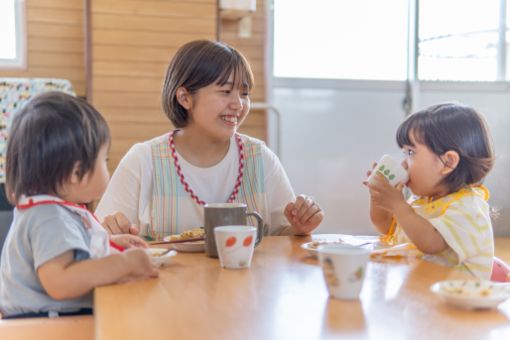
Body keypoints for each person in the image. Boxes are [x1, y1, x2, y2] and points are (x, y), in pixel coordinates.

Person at [95, 40, 324, 239]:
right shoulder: (144, 160)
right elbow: (101, 234)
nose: (239, 104)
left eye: (244, 93)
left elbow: (281, 235)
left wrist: (299, 227)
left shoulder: (260, 157)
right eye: (225, 92)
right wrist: (112, 229)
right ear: (185, 97)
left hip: (244, 287)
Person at [0, 92, 158, 319]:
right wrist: (123, 264)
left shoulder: (52, 211)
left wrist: (107, 243)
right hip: (42, 326)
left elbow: (63, 254)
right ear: (76, 173)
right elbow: (60, 281)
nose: (107, 168)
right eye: (104, 160)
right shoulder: (49, 217)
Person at [366, 103, 495, 279]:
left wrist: (398, 205)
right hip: (420, 296)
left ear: (448, 162)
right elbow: (383, 225)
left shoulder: (469, 207)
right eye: (404, 153)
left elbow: (430, 242)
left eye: (410, 153)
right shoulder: (421, 201)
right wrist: (378, 196)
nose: (403, 164)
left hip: (455, 303)